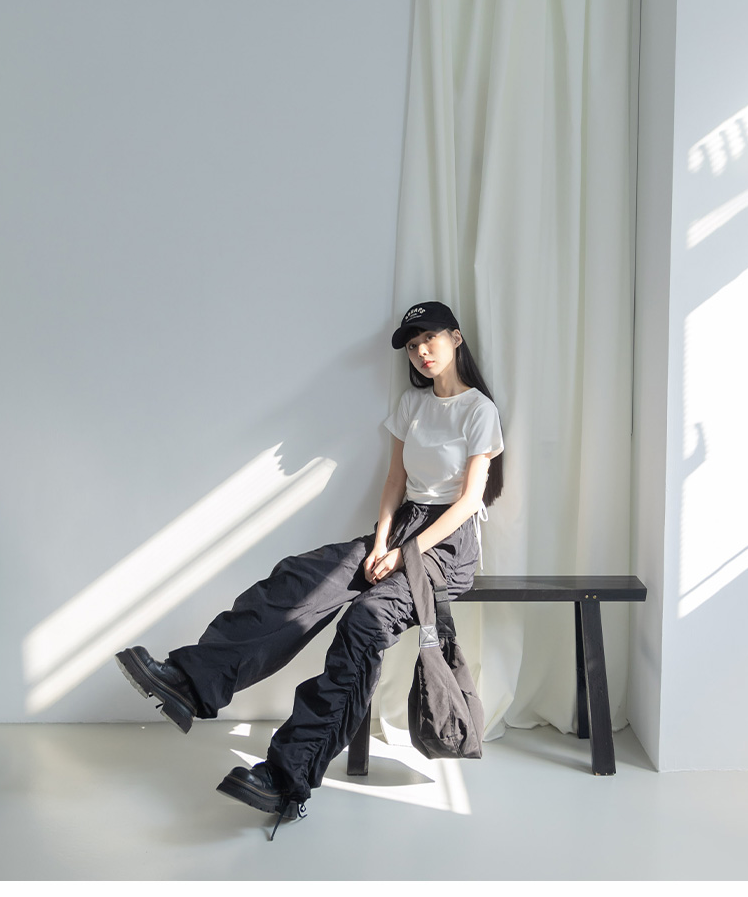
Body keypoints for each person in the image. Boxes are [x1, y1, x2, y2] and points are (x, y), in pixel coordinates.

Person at [115, 301, 504, 837]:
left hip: (447, 549)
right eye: (413, 345)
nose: (421, 352)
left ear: (455, 338)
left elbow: (469, 501)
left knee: (363, 624)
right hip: (401, 528)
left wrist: (403, 554)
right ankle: (190, 681)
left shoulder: (478, 410)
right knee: (304, 580)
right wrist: (381, 542)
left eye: (429, 339)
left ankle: (287, 778)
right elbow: (395, 481)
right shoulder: (412, 405)